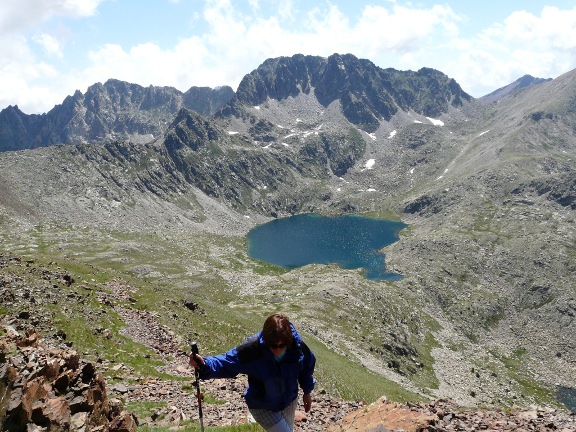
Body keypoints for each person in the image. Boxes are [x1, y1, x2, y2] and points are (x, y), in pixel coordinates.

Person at [189, 312, 316, 432]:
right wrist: (204, 365)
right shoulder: (251, 350)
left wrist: (307, 392)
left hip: (289, 401)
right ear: (266, 340)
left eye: (282, 346)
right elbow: (226, 362)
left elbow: (306, 370)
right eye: (273, 346)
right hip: (262, 406)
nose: (278, 350)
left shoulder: (297, 348)